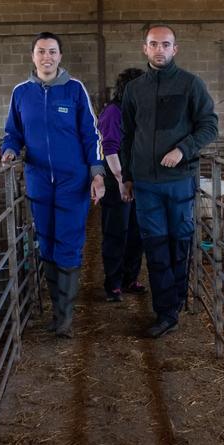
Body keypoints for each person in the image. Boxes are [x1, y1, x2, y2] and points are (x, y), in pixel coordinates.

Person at [1, 32, 106, 338]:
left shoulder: (75, 90)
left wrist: (97, 172)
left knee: (69, 242)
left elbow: (91, 134)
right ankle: (56, 309)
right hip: (37, 179)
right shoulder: (21, 93)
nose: (47, 56)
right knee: (45, 242)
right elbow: (12, 132)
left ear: (61, 56)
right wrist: (8, 150)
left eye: (52, 51)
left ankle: (64, 316)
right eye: (41, 51)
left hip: (72, 180)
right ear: (33, 56)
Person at [121, 25, 219, 338]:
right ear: (144, 48)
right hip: (147, 183)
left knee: (179, 245)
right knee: (156, 246)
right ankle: (166, 312)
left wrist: (182, 149)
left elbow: (209, 126)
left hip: (179, 180)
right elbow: (126, 136)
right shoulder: (135, 89)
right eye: (154, 44)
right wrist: (127, 176)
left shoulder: (191, 84)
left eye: (166, 44)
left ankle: (175, 301)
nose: (159, 49)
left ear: (175, 49)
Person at [98, 67, 147, 303]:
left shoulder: (139, 112)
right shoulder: (113, 112)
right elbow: (110, 148)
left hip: (139, 180)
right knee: (117, 231)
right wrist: (120, 181)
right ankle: (113, 282)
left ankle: (130, 277)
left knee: (137, 232)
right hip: (117, 179)